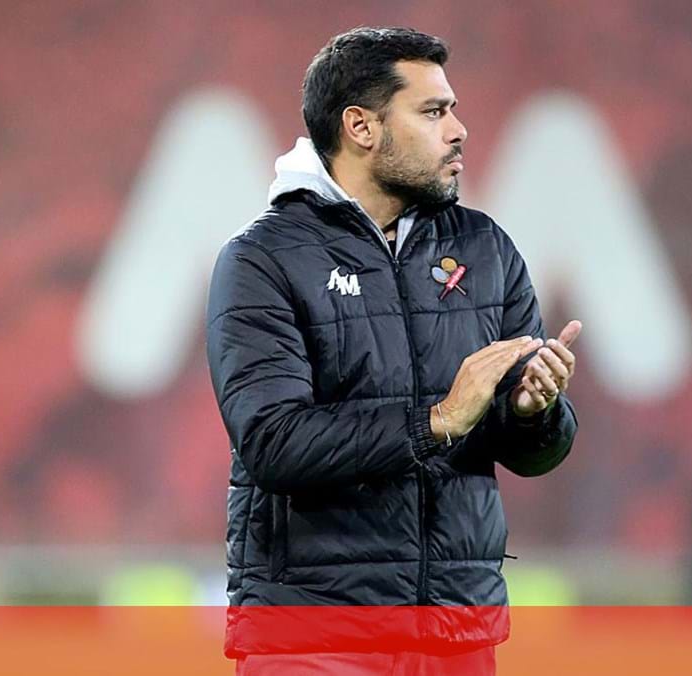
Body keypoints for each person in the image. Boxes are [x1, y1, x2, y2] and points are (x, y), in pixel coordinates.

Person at [205, 26, 580, 675]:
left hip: (457, 636)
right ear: (361, 127)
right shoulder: (261, 260)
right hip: (315, 638)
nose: (458, 129)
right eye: (434, 111)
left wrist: (531, 409)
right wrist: (436, 421)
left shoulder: (486, 249)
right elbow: (272, 442)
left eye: (452, 108)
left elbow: (536, 453)